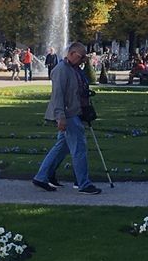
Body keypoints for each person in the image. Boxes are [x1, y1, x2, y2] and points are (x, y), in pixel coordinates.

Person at [31, 41, 101, 194]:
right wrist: (60, 117)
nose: (83, 61)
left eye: (85, 58)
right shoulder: (61, 70)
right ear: (71, 54)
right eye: (81, 57)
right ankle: (83, 184)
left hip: (73, 113)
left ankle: (42, 176)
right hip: (68, 115)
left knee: (61, 147)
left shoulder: (74, 69)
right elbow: (58, 96)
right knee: (79, 148)